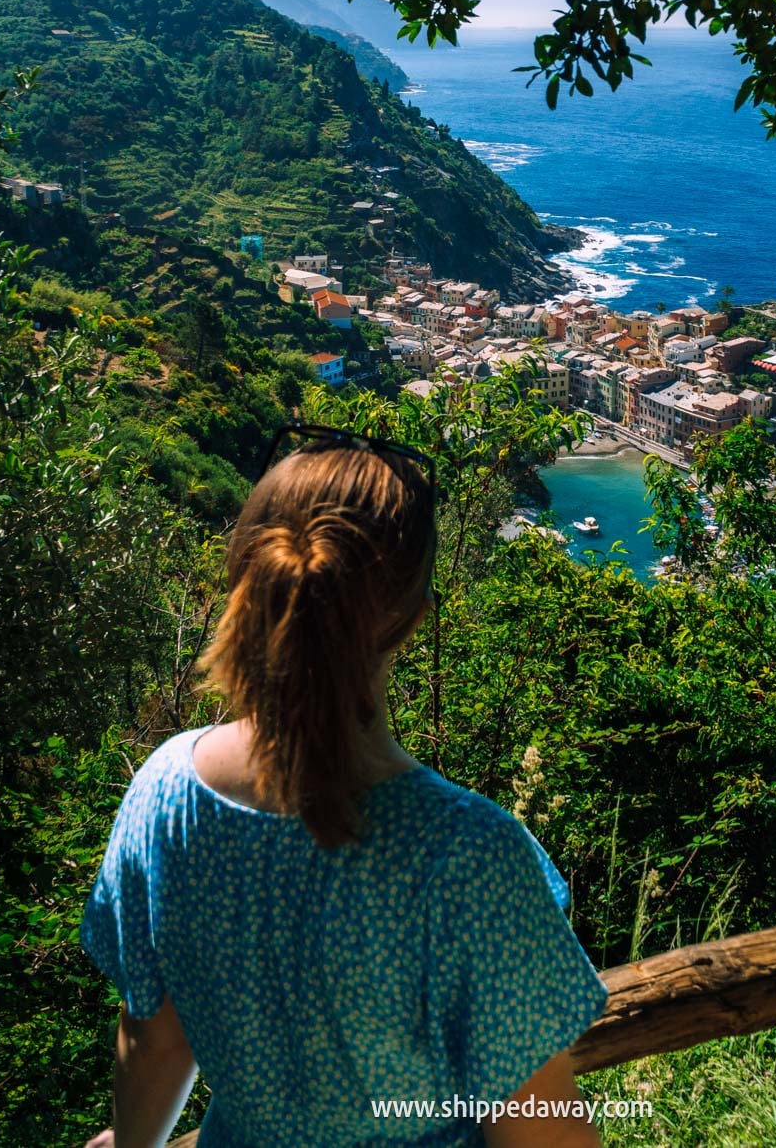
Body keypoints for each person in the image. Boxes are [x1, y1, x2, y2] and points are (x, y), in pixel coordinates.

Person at [80, 428, 609, 1148]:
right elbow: (542, 1132)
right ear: (415, 618)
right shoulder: (467, 854)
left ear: (245, 577)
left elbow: (156, 1043)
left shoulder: (166, 794)